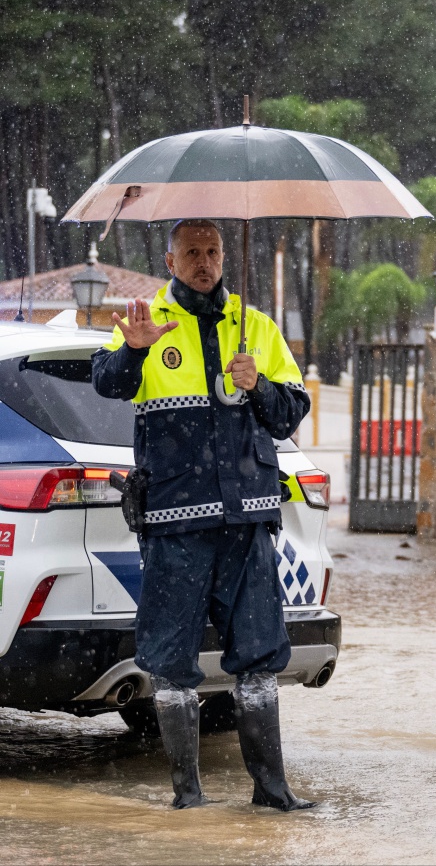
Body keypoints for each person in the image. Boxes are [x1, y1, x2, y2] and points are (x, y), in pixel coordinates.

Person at [92, 219, 315, 812]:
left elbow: (292, 412)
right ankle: (188, 799)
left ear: (223, 257)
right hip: (175, 524)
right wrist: (134, 350)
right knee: (170, 662)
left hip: (247, 523)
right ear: (170, 260)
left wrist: (260, 385)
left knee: (262, 655)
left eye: (213, 251)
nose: (204, 261)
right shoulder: (146, 323)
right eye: (191, 251)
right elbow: (106, 381)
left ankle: (273, 794)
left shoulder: (257, 328)